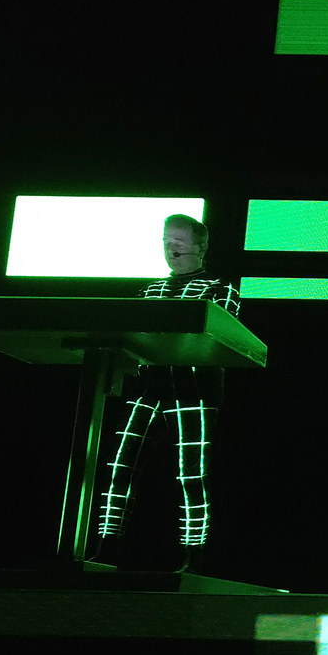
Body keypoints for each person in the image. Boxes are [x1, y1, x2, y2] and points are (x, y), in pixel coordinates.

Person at [94, 213, 240, 573]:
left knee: (191, 474)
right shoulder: (149, 290)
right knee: (120, 465)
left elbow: (221, 334)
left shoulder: (219, 288)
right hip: (148, 387)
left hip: (193, 390)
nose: (170, 248)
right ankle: (107, 547)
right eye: (165, 241)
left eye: (178, 241)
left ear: (200, 246)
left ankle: (195, 554)